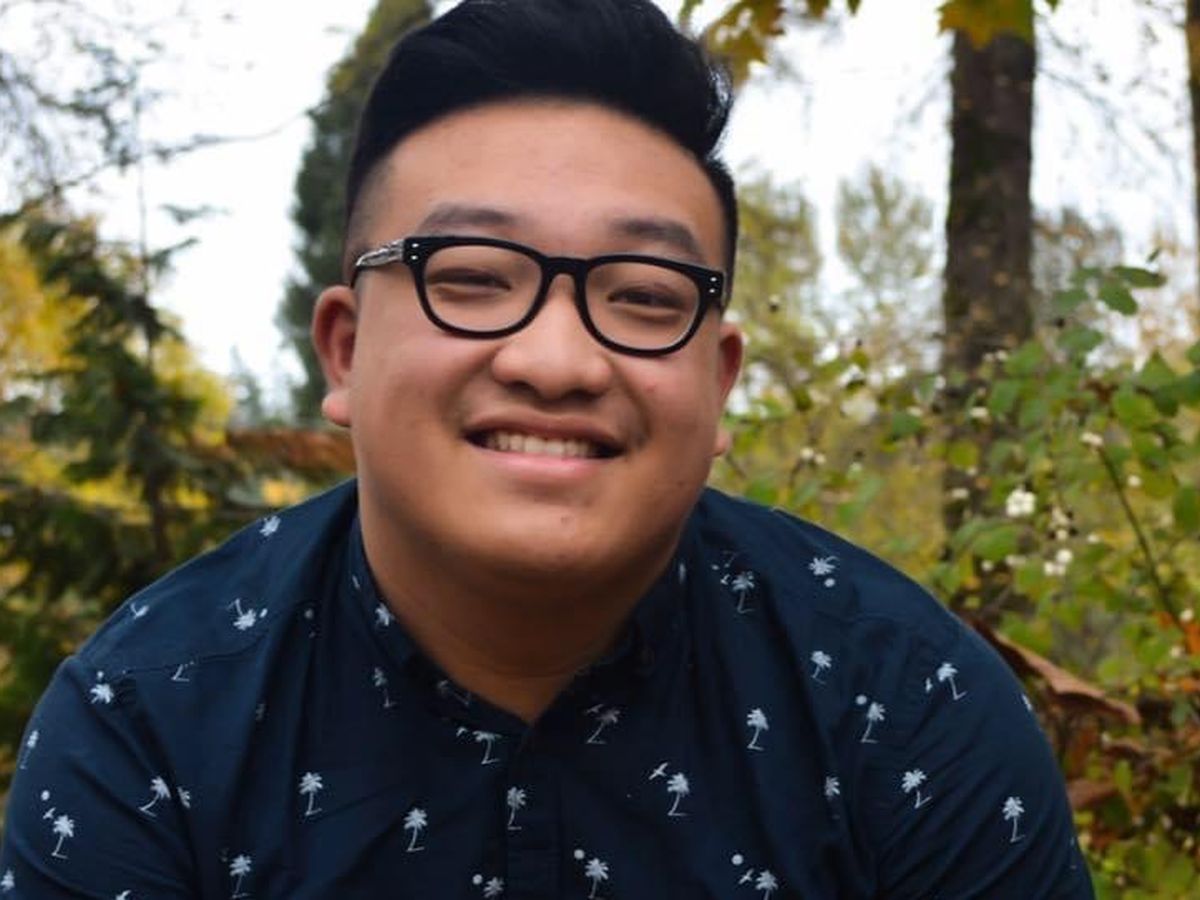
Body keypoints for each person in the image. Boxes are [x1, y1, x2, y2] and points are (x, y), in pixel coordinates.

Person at [0, 0, 1093, 896]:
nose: (558, 361)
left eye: (644, 294)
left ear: (718, 384)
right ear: (345, 349)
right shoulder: (149, 725)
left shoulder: (907, 707)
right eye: (474, 278)